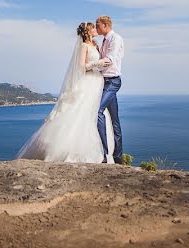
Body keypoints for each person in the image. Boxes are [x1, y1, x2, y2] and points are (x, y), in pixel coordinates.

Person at [16, 22, 112, 163]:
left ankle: (104, 151)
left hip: (97, 81)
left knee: (94, 111)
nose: (95, 29)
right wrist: (97, 64)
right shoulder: (84, 46)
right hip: (88, 81)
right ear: (88, 31)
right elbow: (81, 67)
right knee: (81, 111)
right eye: (92, 28)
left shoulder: (95, 45)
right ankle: (71, 149)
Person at [95, 15, 123, 165]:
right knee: (115, 120)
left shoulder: (115, 39)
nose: (96, 28)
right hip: (104, 82)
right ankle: (118, 157)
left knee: (98, 111)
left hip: (113, 82)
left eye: (98, 25)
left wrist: (92, 66)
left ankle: (106, 154)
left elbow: (109, 60)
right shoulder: (104, 40)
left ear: (105, 25)